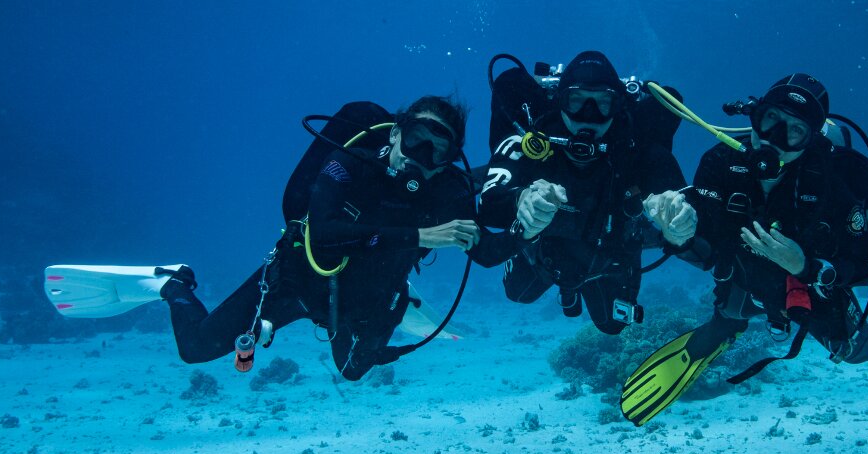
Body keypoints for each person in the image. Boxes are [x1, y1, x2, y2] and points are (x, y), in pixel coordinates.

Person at [46, 96, 517, 381]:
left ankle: (400, 298)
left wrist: (527, 226)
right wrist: (417, 234)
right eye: (416, 141)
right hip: (296, 282)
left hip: (364, 298)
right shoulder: (349, 163)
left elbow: (489, 253)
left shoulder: (446, 192)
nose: (422, 158)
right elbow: (324, 235)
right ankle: (172, 283)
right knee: (195, 349)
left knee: (353, 372)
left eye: (439, 151)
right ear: (395, 134)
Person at [620, 73, 868, 426]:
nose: (775, 139)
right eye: (770, 120)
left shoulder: (839, 178)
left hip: (810, 286)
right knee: (729, 315)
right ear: (754, 116)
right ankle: (723, 328)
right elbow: (709, 253)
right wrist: (679, 235)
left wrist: (807, 266)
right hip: (746, 276)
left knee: (849, 350)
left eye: (795, 130)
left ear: (811, 138)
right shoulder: (720, 162)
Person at [480, 51, 697, 335]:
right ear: (560, 101)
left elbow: (685, 207)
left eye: (603, 102)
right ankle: (541, 262)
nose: (589, 115)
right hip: (545, 248)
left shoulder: (635, 147)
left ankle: (579, 285)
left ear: (617, 106)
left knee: (613, 325)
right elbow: (489, 206)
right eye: (577, 100)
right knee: (518, 293)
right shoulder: (533, 138)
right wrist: (520, 200)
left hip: (609, 253)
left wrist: (677, 227)